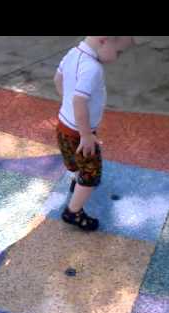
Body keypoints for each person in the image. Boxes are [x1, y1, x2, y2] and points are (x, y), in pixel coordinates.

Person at [54, 36, 134, 231]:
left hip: (63, 125)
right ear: (104, 40)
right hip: (79, 133)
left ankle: (75, 182)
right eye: (119, 51)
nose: (117, 57)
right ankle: (73, 212)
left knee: (75, 162)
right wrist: (86, 135)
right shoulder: (92, 68)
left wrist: (67, 103)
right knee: (91, 174)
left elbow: (58, 79)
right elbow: (79, 102)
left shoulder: (73, 53)